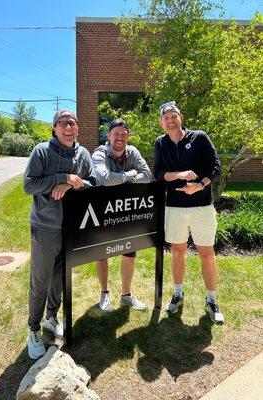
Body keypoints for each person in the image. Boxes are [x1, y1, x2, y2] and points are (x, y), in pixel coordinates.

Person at [24, 109, 96, 359]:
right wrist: (62, 177)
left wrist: (73, 184)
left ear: (77, 128)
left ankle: (52, 318)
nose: (69, 127)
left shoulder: (83, 154)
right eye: (63, 123)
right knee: (41, 280)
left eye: (73, 123)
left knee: (60, 278)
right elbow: (29, 185)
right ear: (54, 128)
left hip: (72, 229)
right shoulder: (42, 151)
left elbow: (93, 181)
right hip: (46, 227)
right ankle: (33, 329)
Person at [153, 101, 224, 324]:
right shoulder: (160, 143)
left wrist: (199, 185)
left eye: (173, 116)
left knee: (207, 254)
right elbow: (159, 174)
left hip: (202, 206)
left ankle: (211, 299)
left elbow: (216, 166)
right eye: (166, 118)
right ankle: (178, 293)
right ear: (161, 122)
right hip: (174, 207)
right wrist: (179, 174)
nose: (170, 121)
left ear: (180, 117)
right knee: (177, 251)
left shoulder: (199, 137)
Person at [92, 118, 152, 312]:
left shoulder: (132, 152)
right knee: (101, 253)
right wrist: (130, 175)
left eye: (124, 135)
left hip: (126, 211)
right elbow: (104, 178)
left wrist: (127, 179)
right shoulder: (100, 153)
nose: (120, 138)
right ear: (108, 136)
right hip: (103, 210)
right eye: (116, 134)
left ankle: (126, 295)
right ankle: (104, 294)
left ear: (128, 136)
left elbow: (147, 175)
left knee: (129, 251)